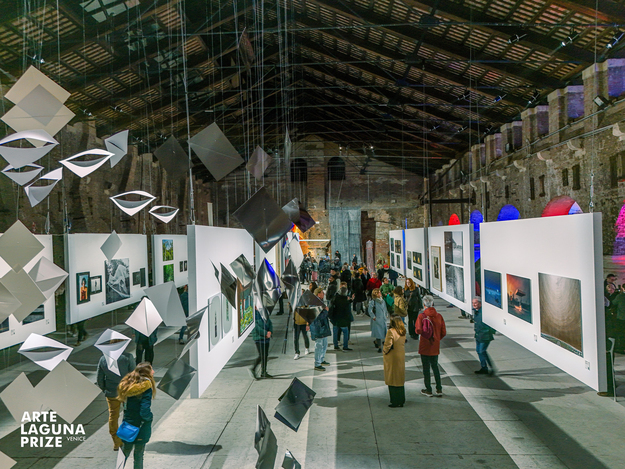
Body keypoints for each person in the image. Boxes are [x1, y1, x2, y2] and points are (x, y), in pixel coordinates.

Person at [117, 362, 155, 469]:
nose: (153, 372)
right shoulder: (146, 387)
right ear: (146, 373)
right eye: (151, 370)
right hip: (140, 425)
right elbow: (144, 410)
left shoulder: (128, 385)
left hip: (128, 423)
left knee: (124, 452)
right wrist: (149, 417)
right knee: (138, 455)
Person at [97, 351, 135, 451]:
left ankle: (116, 441)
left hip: (111, 392)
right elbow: (133, 375)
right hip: (126, 391)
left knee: (113, 416)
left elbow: (99, 378)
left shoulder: (103, 359)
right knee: (129, 414)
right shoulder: (128, 357)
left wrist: (105, 389)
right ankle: (127, 438)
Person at [416, 295, 446, 397]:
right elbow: (443, 332)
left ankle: (428, 389)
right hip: (435, 345)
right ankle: (439, 389)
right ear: (432, 303)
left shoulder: (421, 316)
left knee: (426, 369)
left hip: (424, 345)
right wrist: (437, 338)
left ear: (424, 304)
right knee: (435, 367)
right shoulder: (439, 316)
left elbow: (418, 330)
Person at [384, 316, 407, 407]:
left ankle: (394, 401)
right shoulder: (403, 331)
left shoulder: (391, 331)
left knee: (392, 378)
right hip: (401, 355)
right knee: (399, 378)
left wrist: (384, 351)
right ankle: (401, 400)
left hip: (392, 357)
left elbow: (388, 344)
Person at [472, 297, 496, 375]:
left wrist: (489, 332)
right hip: (478, 335)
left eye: (475, 303)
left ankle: (491, 368)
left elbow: (492, 323)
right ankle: (484, 368)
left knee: (482, 351)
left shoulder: (484, 312)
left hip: (485, 335)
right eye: (473, 303)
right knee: (479, 351)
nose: (474, 304)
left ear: (480, 303)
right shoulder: (476, 312)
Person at [310, 288, 332, 371]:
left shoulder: (320, 302)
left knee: (324, 344)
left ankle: (321, 359)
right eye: (322, 293)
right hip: (318, 328)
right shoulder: (315, 303)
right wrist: (326, 311)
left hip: (322, 327)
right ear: (318, 294)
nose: (324, 294)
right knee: (319, 346)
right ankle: (317, 364)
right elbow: (317, 317)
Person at [250, 309, 273, 379]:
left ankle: (264, 372)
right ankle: (253, 369)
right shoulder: (253, 314)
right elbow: (255, 327)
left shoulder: (264, 311)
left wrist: (270, 331)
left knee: (265, 355)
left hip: (266, 338)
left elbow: (269, 322)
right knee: (262, 355)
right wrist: (265, 333)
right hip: (259, 338)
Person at [330, 283, 353, 351]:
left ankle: (336, 345)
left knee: (335, 332)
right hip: (343, 319)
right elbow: (347, 309)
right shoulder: (345, 300)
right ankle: (345, 346)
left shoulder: (335, 298)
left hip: (335, 318)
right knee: (345, 332)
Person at [369, 288, 388, 352]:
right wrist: (373, 317)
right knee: (378, 334)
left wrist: (386, 314)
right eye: (379, 292)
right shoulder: (373, 302)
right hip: (377, 320)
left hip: (383, 319)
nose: (380, 293)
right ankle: (380, 347)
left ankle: (377, 342)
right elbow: (370, 310)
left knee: (385, 333)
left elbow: (385, 308)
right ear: (376, 294)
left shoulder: (382, 301)